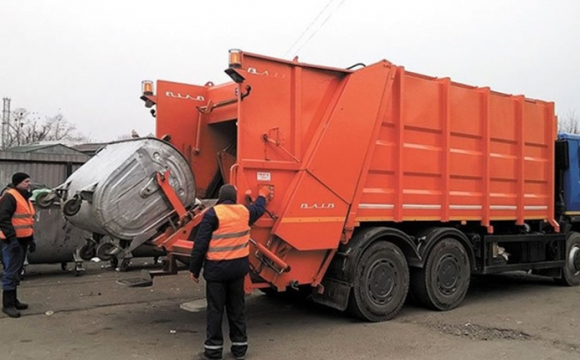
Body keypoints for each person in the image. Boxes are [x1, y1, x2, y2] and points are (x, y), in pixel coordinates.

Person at [190, 184, 272, 360]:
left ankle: (213, 350)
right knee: (237, 309)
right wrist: (263, 195)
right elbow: (258, 209)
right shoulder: (244, 212)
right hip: (237, 271)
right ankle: (239, 348)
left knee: (215, 309)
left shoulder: (213, 214)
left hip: (216, 272)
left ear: (220, 197)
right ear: (234, 198)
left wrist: (194, 270)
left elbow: (200, 245)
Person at [0, 172, 36, 318]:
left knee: (16, 271)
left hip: (22, 240)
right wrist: (12, 238)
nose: (29, 184)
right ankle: (7, 304)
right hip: (11, 242)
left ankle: (13, 300)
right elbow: (3, 219)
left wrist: (31, 239)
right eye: (26, 181)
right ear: (18, 183)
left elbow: (27, 221)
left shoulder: (24, 197)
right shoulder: (11, 196)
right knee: (10, 272)